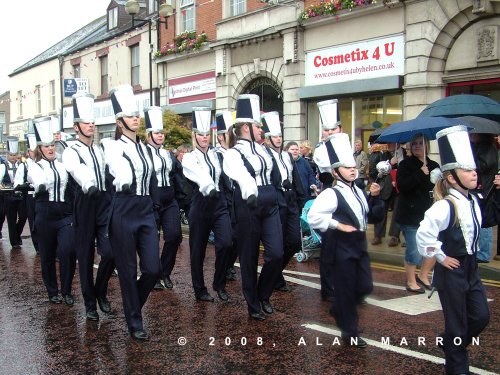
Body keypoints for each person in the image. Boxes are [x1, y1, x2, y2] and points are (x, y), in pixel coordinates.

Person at [416, 125, 500, 375]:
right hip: (452, 271)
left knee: (481, 316)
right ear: (451, 177)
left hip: (471, 267)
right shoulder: (444, 206)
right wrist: (440, 256)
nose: (474, 174)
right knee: (456, 324)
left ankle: (450, 343)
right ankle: (457, 367)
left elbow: (491, 218)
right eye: (467, 170)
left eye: (474, 169)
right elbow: (424, 235)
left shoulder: (475, 200)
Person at [307, 133, 384, 348]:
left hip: (358, 245)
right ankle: (350, 332)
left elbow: (372, 216)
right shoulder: (330, 194)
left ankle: (339, 307)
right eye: (346, 167)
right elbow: (313, 217)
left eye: (353, 166)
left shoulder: (359, 191)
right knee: (348, 290)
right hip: (339, 247)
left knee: (365, 286)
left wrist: (376, 198)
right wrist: (337, 225)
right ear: (335, 171)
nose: (352, 170)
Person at [103, 85, 161, 341]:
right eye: (130, 115)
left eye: (137, 114)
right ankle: (134, 322)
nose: (136, 118)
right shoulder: (112, 145)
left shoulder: (147, 149)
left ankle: (133, 305)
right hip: (124, 208)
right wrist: (124, 178)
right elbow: (117, 167)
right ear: (119, 121)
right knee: (127, 270)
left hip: (145, 208)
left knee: (152, 269)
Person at [223, 94, 283, 320]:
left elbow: (277, 174)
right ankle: (253, 303)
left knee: (276, 253)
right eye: (258, 125)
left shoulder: (265, 149)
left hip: (270, 201)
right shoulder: (233, 153)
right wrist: (250, 191)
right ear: (246, 127)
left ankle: (263, 294)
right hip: (248, 203)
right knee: (248, 258)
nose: (262, 129)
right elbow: (240, 175)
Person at [62, 93, 115, 321]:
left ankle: (101, 290)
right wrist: (89, 183)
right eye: (86, 122)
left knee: (111, 253)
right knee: (85, 256)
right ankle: (89, 303)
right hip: (85, 203)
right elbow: (76, 170)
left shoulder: (100, 148)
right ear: (76, 127)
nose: (91, 125)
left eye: (92, 122)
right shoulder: (71, 150)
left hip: (103, 203)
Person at [182, 107, 232, 302]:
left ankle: (219, 283)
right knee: (198, 249)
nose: (204, 138)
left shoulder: (217, 154)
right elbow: (198, 175)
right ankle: (199, 289)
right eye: (200, 134)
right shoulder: (189, 157)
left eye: (206, 134)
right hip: (200, 203)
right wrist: (207, 185)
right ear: (194, 136)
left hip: (218, 203)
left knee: (227, 242)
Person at [29, 116, 77, 305]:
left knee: (68, 251)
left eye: (52, 145)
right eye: (46, 146)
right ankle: (52, 291)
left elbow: (72, 189)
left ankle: (66, 290)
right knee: (47, 256)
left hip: (64, 214)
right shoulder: (35, 166)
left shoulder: (63, 166)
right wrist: (39, 184)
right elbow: (37, 180)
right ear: (40, 149)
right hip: (45, 213)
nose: (50, 148)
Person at [261, 112, 303, 292]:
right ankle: (275, 277)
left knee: (294, 242)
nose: (278, 139)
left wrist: (301, 199)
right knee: (277, 243)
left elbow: (296, 178)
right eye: (274, 136)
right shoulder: (263, 155)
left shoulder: (287, 156)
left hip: (291, 199)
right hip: (276, 201)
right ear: (267, 138)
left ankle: (276, 272)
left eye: (279, 136)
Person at [143, 107, 183, 291]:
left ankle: (164, 272)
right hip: (151, 201)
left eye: (162, 133)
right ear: (149, 134)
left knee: (174, 236)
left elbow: (177, 176)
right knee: (151, 240)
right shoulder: (142, 153)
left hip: (170, 201)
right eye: (157, 133)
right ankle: (151, 274)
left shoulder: (168, 154)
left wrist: (182, 199)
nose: (160, 136)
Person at [396, 134, 439, 293]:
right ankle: (411, 280)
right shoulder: (406, 165)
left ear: (427, 146)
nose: (417, 146)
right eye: (414, 144)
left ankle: (423, 275)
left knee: (433, 248)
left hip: (430, 215)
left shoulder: (434, 165)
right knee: (414, 250)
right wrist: (420, 173)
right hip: (410, 215)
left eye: (421, 143)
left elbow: (437, 189)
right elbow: (403, 186)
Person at [312, 99, 343, 302]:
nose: (330, 133)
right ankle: (328, 288)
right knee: (330, 244)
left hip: (347, 198)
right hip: (330, 196)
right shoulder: (320, 149)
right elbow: (328, 165)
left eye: (334, 129)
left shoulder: (346, 145)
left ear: (340, 129)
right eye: (327, 130)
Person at [214, 111, 238, 281]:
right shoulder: (215, 155)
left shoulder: (238, 153)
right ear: (221, 136)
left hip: (238, 200)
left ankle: (229, 265)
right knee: (226, 239)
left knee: (238, 237)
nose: (234, 136)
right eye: (231, 132)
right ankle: (222, 269)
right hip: (224, 201)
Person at [470, 133, 498, 263]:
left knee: (484, 220)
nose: (470, 135)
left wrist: (471, 161)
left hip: (485, 189)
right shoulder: (477, 146)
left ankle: (483, 253)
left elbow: (485, 165)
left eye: (473, 132)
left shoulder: (487, 147)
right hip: (479, 187)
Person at [1, 137, 27, 249]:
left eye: (14, 154)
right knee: (11, 219)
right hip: (8, 195)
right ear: (7, 155)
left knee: (23, 217)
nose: (13, 157)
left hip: (20, 195)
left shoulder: (21, 165)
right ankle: (14, 241)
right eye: (11, 155)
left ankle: (16, 234)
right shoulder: (3, 166)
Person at [13, 134, 39, 253]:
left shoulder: (42, 163)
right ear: (29, 152)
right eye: (34, 151)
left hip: (40, 195)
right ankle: (36, 245)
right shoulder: (24, 166)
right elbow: (17, 182)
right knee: (28, 219)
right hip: (27, 196)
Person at [286, 141, 316, 205]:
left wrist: (312, 183)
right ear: (286, 150)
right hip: (290, 196)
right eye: (292, 149)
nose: (295, 151)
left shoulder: (304, 162)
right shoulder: (284, 162)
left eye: (297, 149)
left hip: (304, 195)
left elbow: (311, 174)